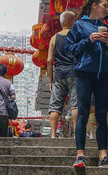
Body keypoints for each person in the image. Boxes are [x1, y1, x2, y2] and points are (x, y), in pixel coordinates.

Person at [66, 0, 108, 169]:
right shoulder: (79, 25)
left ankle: (103, 156)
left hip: (103, 75)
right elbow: (70, 49)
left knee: (102, 115)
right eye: (105, 5)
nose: (107, 8)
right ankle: (80, 155)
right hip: (84, 74)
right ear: (95, 5)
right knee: (82, 113)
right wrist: (88, 40)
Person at [47, 10, 78, 138]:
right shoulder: (77, 36)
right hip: (75, 73)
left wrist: (51, 80)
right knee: (76, 104)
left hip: (59, 75)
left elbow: (49, 60)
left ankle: (53, 135)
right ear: (71, 21)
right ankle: (77, 134)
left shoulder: (54, 38)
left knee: (55, 106)